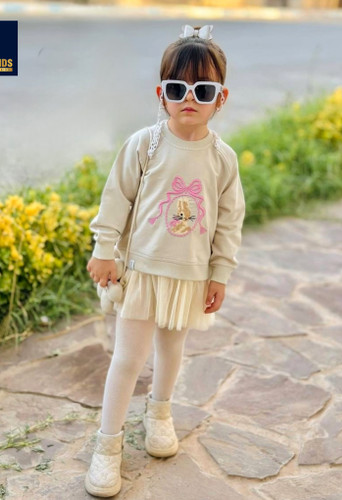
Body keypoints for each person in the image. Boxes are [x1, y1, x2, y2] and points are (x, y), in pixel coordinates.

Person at [85, 24, 246, 497]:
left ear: (221, 98)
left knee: (172, 350)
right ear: (162, 94)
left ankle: (159, 413)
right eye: (177, 89)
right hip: (142, 271)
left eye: (203, 90)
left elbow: (229, 221)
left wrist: (220, 273)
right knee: (127, 358)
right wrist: (104, 249)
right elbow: (115, 198)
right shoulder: (145, 144)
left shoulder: (223, 158)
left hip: (189, 276)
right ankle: (107, 446)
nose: (189, 98)